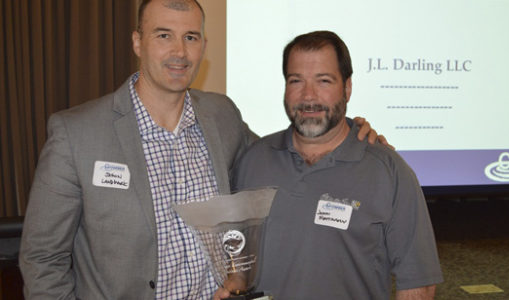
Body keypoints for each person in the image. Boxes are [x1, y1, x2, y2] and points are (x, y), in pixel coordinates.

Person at [18, 1, 384, 299]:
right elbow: (43, 258)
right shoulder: (77, 132)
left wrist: (348, 133)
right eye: (164, 35)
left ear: (203, 47)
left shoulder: (221, 115)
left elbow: (284, 155)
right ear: (137, 42)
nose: (179, 51)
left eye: (191, 37)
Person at [216, 31, 443, 300]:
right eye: (296, 80)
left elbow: (418, 284)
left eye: (323, 81)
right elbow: (238, 257)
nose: (308, 96)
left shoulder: (389, 171)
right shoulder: (252, 161)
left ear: (347, 88)